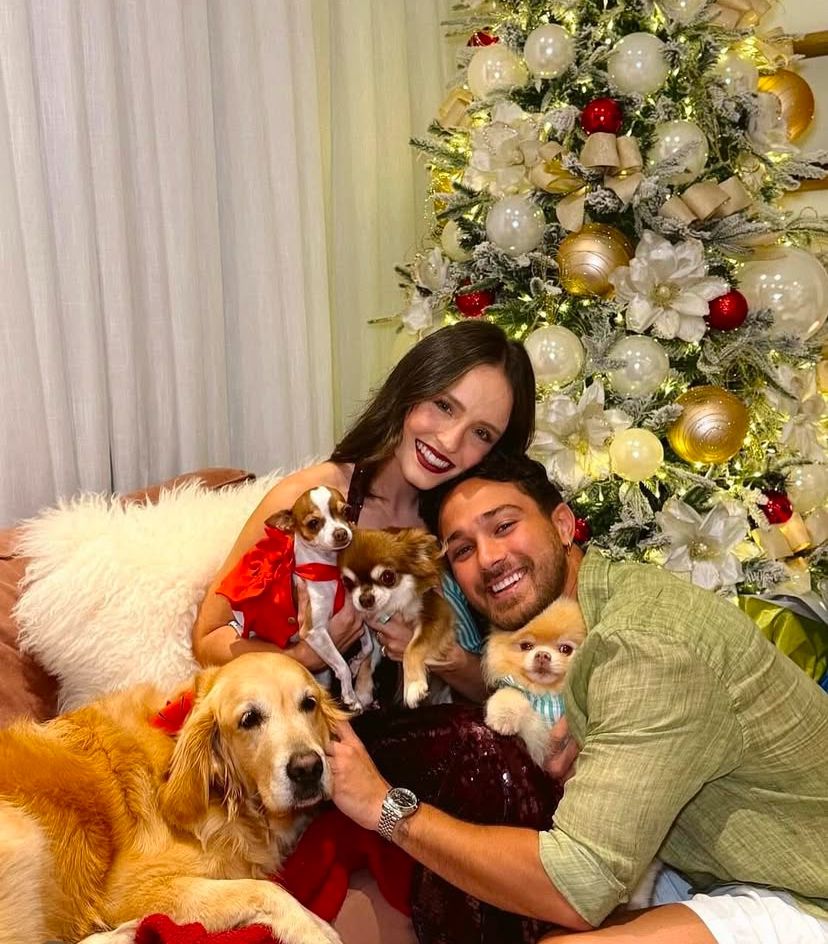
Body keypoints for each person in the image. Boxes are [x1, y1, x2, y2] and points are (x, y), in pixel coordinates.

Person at [328, 452, 828, 943]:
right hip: (706, 866)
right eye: (462, 550)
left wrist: (386, 808)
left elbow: (575, 887)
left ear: (564, 525)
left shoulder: (644, 644)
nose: (488, 558)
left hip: (805, 891)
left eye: (504, 526)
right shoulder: (586, 615)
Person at [192, 320, 535, 703]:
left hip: (444, 732)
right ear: (410, 388)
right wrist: (303, 658)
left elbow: (516, 691)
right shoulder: (308, 503)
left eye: (481, 433)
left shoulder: (472, 530)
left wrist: (440, 657)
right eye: (444, 406)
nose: (451, 441)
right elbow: (209, 639)